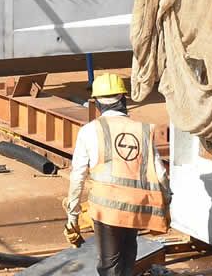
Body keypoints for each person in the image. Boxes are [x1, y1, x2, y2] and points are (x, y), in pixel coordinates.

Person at [64, 73, 169, 276]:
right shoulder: (143, 130)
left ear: (96, 103)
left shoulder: (89, 131)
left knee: (109, 264)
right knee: (128, 258)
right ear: (123, 99)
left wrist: (73, 214)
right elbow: (161, 173)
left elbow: (77, 175)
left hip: (106, 208)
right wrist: (166, 202)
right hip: (136, 206)